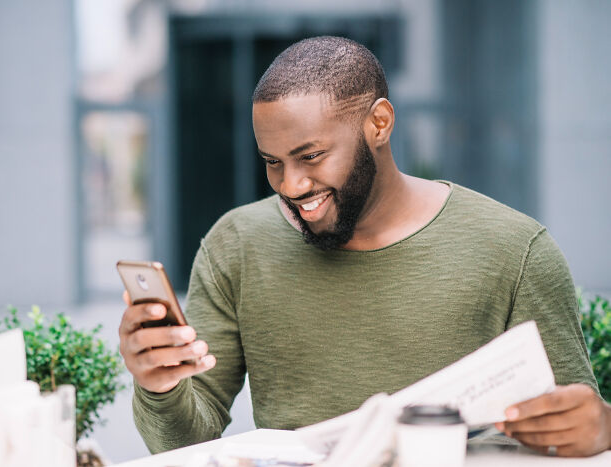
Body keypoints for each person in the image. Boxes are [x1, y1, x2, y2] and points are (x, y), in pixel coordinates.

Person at [118, 36, 611, 457]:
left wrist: (601, 428)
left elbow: (571, 426)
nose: (290, 184)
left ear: (379, 123)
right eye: (272, 161)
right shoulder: (238, 244)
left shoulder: (515, 249)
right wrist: (160, 385)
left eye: (310, 156)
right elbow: (185, 444)